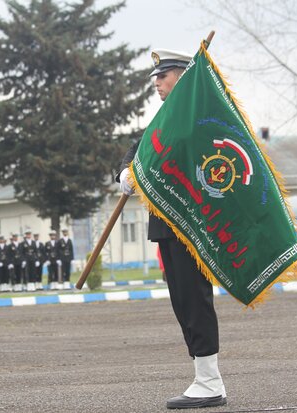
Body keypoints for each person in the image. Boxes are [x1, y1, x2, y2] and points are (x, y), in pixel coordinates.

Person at [117, 49, 226, 409]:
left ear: (184, 76)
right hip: (166, 224)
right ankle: (204, 377)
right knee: (182, 301)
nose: (157, 84)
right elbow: (138, 154)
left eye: (163, 76)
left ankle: (210, 382)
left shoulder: (200, 116)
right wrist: (125, 172)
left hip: (190, 222)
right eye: (156, 78)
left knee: (195, 300)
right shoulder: (164, 119)